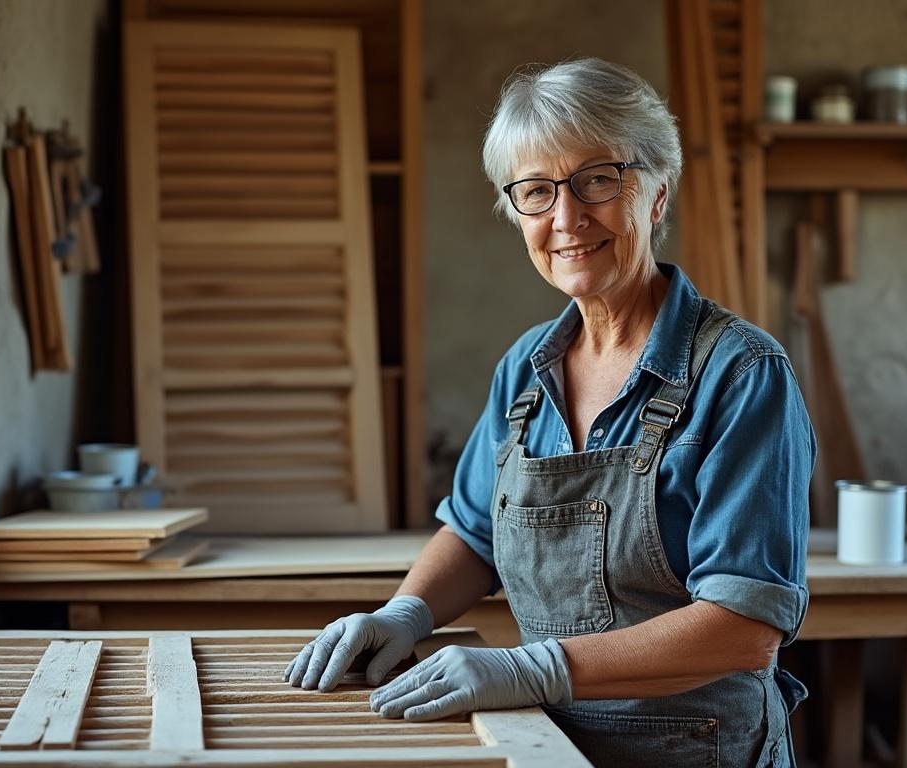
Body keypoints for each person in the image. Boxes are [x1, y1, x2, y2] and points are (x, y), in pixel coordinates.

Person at [284, 58, 814, 767]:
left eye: (597, 179)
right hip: (543, 744)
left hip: (695, 751)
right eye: (536, 191)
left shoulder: (742, 375)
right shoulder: (527, 368)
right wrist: (403, 613)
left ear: (657, 193)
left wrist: (529, 669)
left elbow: (745, 628)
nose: (567, 218)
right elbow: (474, 533)